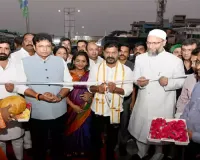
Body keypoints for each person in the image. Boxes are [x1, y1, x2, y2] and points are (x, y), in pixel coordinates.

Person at [9, 33, 73, 160]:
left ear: (52, 46)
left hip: (59, 110)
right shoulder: (23, 63)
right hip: (37, 112)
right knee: (39, 146)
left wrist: (59, 96)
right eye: (41, 46)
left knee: (59, 144)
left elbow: (69, 83)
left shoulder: (60, 61)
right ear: (34, 46)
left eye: (48, 46)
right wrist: (39, 96)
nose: (45, 49)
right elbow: (20, 87)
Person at [128, 29, 185, 159]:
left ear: (164, 42)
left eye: (155, 43)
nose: (151, 46)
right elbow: (135, 77)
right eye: (149, 43)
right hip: (144, 102)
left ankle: (159, 154)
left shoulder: (175, 60)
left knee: (160, 134)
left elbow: (181, 81)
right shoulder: (141, 58)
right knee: (141, 131)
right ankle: (141, 153)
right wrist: (139, 82)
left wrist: (168, 83)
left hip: (163, 102)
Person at [88, 41, 133, 160]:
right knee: (95, 139)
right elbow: (89, 87)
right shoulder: (95, 68)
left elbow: (128, 90)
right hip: (97, 110)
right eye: (107, 52)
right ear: (103, 53)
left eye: (113, 52)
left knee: (112, 140)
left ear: (118, 53)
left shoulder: (126, 70)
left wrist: (116, 89)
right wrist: (98, 88)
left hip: (116, 111)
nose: (110, 55)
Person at [0, 38, 29, 160]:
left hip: (15, 107)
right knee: (0, 140)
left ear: (10, 51)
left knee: (17, 138)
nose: (3, 51)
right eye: (0, 48)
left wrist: (15, 88)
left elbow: (23, 84)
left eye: (6, 48)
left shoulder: (18, 65)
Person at [65, 51, 92, 157]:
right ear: (73, 61)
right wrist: (72, 106)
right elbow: (62, 91)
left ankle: (82, 148)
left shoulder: (90, 74)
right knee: (70, 127)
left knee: (84, 128)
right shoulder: (67, 73)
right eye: (77, 61)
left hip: (86, 106)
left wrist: (90, 97)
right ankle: (70, 149)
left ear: (87, 63)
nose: (80, 63)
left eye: (83, 61)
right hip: (70, 105)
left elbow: (94, 89)